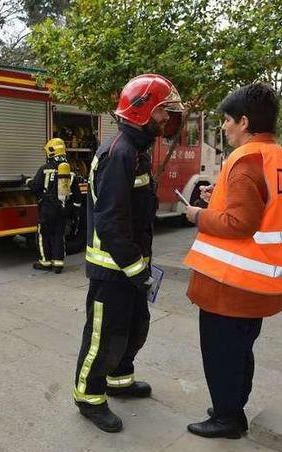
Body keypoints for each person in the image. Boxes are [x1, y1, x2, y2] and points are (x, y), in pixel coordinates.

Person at [183, 83, 282, 439]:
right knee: (240, 350)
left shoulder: (246, 159)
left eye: (227, 120)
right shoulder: (280, 159)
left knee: (222, 353)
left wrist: (197, 215)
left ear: (245, 121)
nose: (223, 127)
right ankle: (231, 404)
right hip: (261, 282)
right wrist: (216, 195)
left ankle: (227, 419)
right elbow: (262, 208)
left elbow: (239, 223)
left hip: (231, 283)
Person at [73, 74, 183, 432]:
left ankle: (119, 379)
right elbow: (110, 222)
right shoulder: (118, 153)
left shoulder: (134, 149)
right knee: (103, 336)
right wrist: (137, 269)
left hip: (130, 267)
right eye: (163, 112)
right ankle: (88, 397)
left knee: (134, 328)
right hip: (113, 271)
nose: (166, 119)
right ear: (144, 110)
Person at [30, 138, 82, 273]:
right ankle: (58, 264)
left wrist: (28, 181)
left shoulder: (44, 169)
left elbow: (35, 187)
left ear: (51, 152)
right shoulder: (70, 172)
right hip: (62, 210)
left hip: (47, 209)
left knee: (44, 235)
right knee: (59, 235)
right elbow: (77, 196)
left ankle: (45, 262)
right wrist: (73, 211)